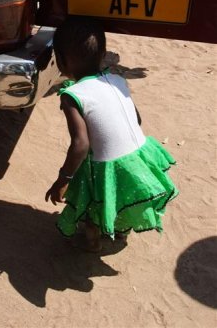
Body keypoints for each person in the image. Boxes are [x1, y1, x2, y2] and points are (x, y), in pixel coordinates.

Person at [45, 16, 178, 252]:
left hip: (110, 166)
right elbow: (136, 119)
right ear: (103, 53)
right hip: (139, 157)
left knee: (93, 200)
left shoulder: (72, 94)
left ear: (61, 61)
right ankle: (121, 230)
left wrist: (63, 179)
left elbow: (81, 144)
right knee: (123, 198)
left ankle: (93, 241)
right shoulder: (118, 79)